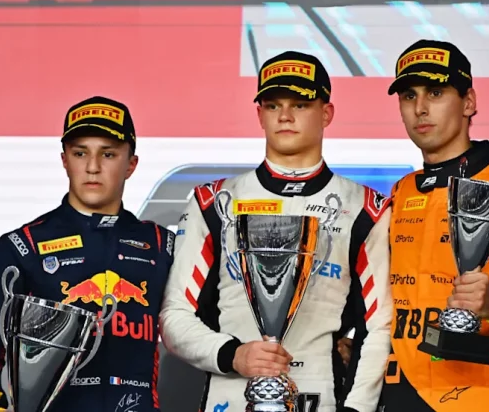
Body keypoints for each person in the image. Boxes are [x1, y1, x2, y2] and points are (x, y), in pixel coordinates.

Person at [342, 39, 489, 411]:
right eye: (409, 96)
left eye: (435, 93)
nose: (420, 108)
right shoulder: (401, 191)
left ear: (469, 102)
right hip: (394, 395)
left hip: (474, 397)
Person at [159, 51, 393, 412]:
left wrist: (357, 408)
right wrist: (233, 355)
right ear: (259, 115)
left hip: (322, 395)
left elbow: (380, 326)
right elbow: (174, 316)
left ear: (326, 113)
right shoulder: (214, 203)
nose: (285, 116)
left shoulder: (364, 208)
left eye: (300, 104)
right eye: (273, 105)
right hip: (230, 397)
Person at [0, 96, 174, 412]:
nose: (92, 167)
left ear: (131, 164)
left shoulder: (162, 245)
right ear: (64, 160)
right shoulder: (24, 245)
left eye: (108, 154)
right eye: (80, 153)